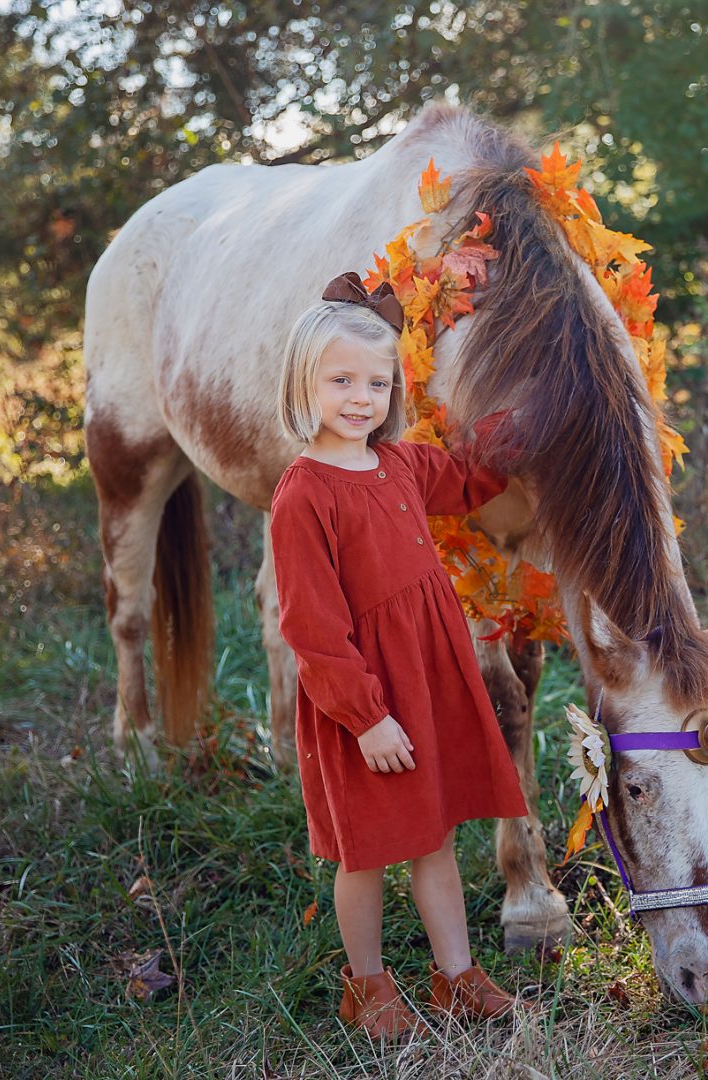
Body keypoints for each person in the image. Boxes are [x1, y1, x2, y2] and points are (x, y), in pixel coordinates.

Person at [270, 271, 531, 1040]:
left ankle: (456, 978)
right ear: (303, 383)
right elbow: (313, 632)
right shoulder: (303, 496)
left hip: (429, 679)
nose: (360, 398)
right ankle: (369, 986)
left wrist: (535, 408)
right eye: (341, 380)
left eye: (377, 384)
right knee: (369, 850)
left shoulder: (404, 465)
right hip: (367, 702)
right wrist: (367, 718)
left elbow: (475, 475)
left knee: (436, 834)